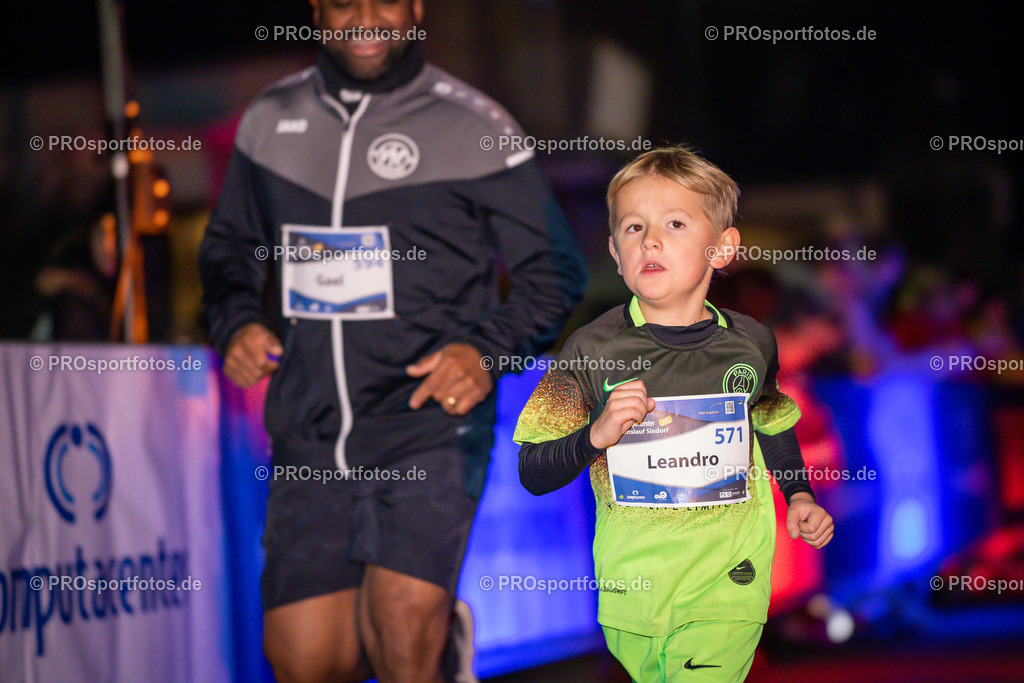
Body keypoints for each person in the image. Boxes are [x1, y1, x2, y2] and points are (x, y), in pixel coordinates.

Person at [198, 1, 586, 681]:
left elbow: (556, 273)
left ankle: (428, 645)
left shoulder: (475, 125)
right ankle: (445, 648)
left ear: (415, 7)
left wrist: (485, 351)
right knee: (308, 660)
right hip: (311, 431)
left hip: (426, 424)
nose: (365, 17)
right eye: (346, 1)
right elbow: (230, 251)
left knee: (401, 642)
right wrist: (236, 322)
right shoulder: (269, 120)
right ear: (317, 9)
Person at [513, 147, 833, 681]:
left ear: (722, 248)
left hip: (727, 581)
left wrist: (798, 494)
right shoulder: (590, 351)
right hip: (631, 592)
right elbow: (533, 472)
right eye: (633, 227)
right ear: (615, 251)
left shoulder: (751, 344)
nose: (651, 240)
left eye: (675, 223)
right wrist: (597, 435)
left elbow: (771, 424)